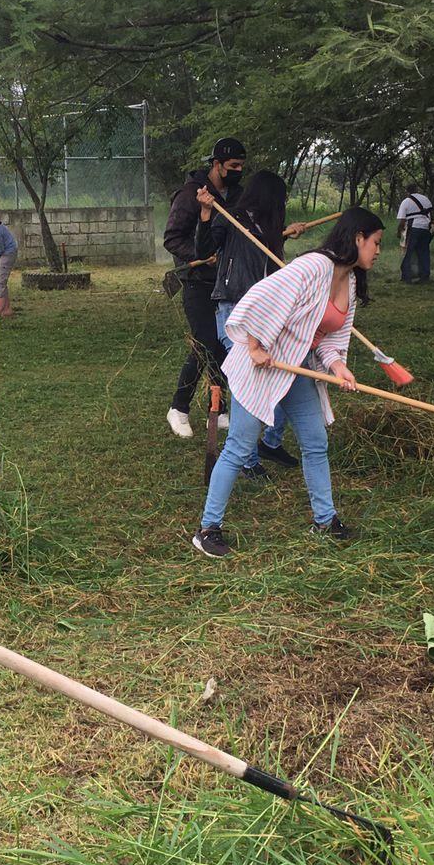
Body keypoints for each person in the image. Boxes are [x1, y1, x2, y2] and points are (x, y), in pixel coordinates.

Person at [192, 208, 380, 558]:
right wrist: (254, 345)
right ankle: (208, 528)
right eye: (375, 242)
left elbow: (329, 336)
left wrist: (338, 365)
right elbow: (260, 297)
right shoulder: (314, 266)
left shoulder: (349, 281)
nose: (378, 250)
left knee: (314, 441)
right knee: (239, 445)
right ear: (357, 239)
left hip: (295, 368)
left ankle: (325, 519)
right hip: (259, 366)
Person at [196, 170, 306, 477]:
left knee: (281, 374)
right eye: (280, 198)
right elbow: (204, 251)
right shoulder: (230, 218)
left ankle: (269, 442)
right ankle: (245, 459)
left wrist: (286, 231)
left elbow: (264, 247)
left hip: (265, 313)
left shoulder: (267, 226)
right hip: (234, 308)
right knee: (250, 382)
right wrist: (206, 213)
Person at [163, 137, 247, 439]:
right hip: (197, 282)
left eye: (241, 166)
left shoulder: (237, 195)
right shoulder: (190, 195)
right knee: (204, 344)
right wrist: (201, 257)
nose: (238, 171)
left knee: (222, 345)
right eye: (232, 166)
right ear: (216, 165)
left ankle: (219, 408)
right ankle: (179, 408)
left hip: (227, 284)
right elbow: (172, 238)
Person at [395, 185, 434, 283]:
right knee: (424, 252)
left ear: (407, 192)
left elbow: (402, 220)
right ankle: (425, 276)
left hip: (413, 228)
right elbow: (431, 215)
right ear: (417, 190)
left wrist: (399, 231)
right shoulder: (426, 199)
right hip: (426, 228)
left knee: (408, 252)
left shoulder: (406, 201)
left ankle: (407, 277)